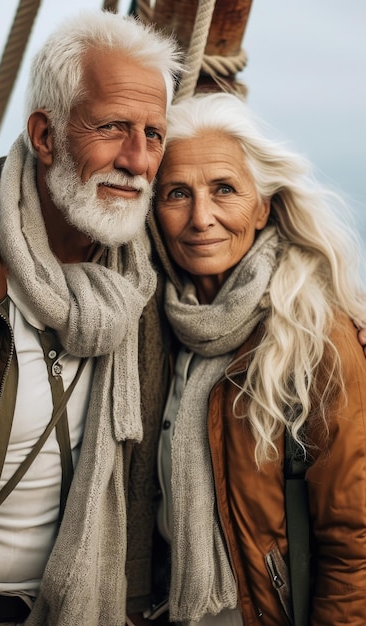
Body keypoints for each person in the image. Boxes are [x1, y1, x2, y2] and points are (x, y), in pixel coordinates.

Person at [0, 10, 183, 626]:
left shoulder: (149, 281)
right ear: (46, 135)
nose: (137, 161)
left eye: (153, 134)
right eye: (112, 127)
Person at [141, 92, 366, 625]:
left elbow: (354, 538)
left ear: (263, 205)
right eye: (177, 193)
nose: (202, 218)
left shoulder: (316, 336)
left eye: (224, 189)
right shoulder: (156, 326)